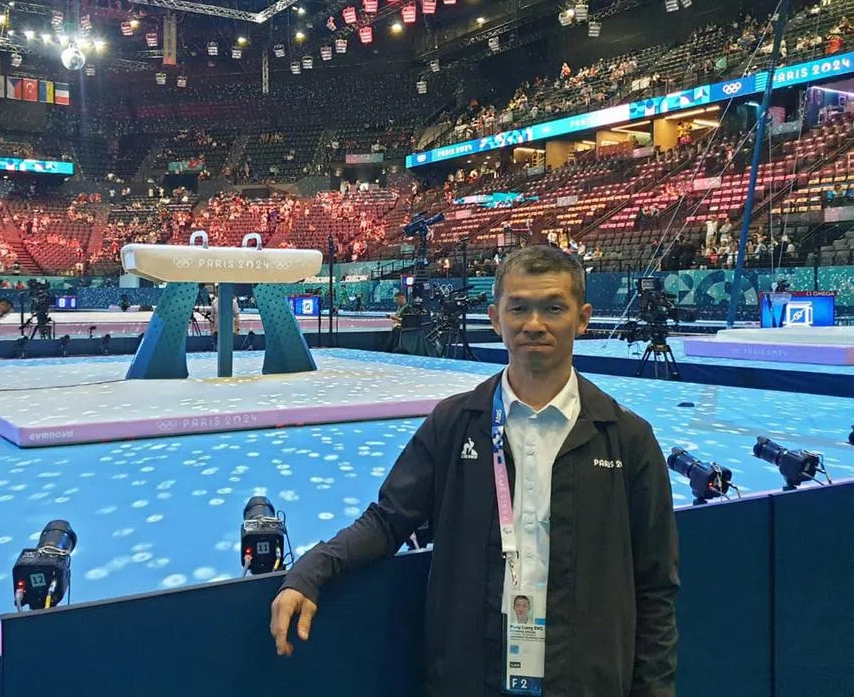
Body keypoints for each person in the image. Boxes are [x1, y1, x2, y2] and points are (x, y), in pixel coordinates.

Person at [269, 246, 679, 697]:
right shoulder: (454, 423)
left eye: (553, 308)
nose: (534, 324)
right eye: (518, 307)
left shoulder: (627, 439)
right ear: (495, 317)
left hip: (586, 680)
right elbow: (388, 520)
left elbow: (655, 589)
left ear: (582, 319)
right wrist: (311, 570)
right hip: (471, 677)